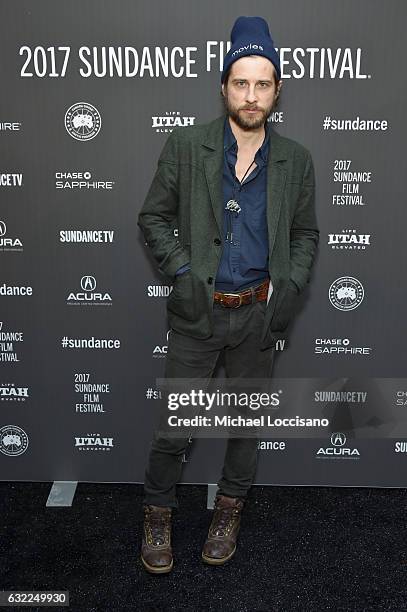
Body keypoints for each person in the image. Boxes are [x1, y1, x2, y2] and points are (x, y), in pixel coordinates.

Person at [137, 15, 319, 574]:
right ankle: (158, 513)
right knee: (174, 428)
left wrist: (287, 288)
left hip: (259, 317)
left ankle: (230, 510)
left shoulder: (295, 159)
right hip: (199, 316)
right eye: (241, 82)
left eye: (262, 83)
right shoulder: (188, 145)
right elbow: (153, 218)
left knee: (246, 425)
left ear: (277, 89)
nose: (251, 95)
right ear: (224, 86)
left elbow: (305, 234)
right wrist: (187, 273)